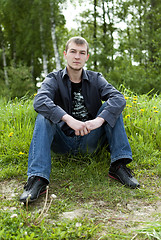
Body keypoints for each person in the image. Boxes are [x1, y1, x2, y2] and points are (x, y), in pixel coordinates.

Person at [20, 36, 140, 203]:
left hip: (90, 140)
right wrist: (68, 119)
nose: (77, 56)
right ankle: (37, 178)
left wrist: (98, 120)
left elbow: (118, 98)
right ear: (65, 54)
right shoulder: (53, 78)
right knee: (44, 115)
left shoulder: (96, 78)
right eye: (73, 52)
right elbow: (39, 101)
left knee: (112, 108)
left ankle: (118, 166)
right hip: (63, 141)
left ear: (87, 57)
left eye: (82, 53)